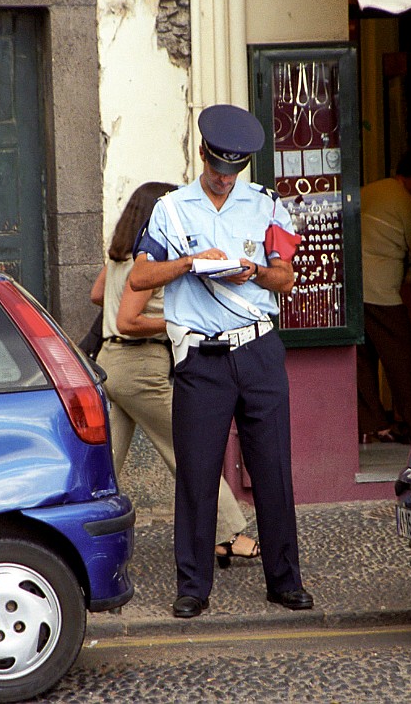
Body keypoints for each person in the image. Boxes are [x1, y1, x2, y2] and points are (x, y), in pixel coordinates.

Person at [130, 104, 312, 619]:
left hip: (258, 350)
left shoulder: (268, 205)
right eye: (216, 169)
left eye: (232, 172)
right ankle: (192, 587)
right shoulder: (171, 209)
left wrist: (251, 270)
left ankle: (285, 580)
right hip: (201, 359)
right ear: (203, 154)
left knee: (273, 470)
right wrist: (190, 264)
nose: (222, 180)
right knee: (196, 473)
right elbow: (140, 280)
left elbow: (285, 278)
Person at [90, 181, 261, 569]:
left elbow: (98, 295)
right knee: (191, 450)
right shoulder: (148, 264)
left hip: (109, 363)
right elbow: (128, 320)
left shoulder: (120, 257)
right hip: (140, 369)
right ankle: (229, 533)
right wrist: (174, 321)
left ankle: (86, 531)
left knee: (105, 463)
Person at [356, 149, 411, 445]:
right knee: (403, 358)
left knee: (363, 357)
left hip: (353, 287)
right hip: (380, 291)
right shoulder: (408, 205)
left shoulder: (369, 190)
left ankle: (372, 424)